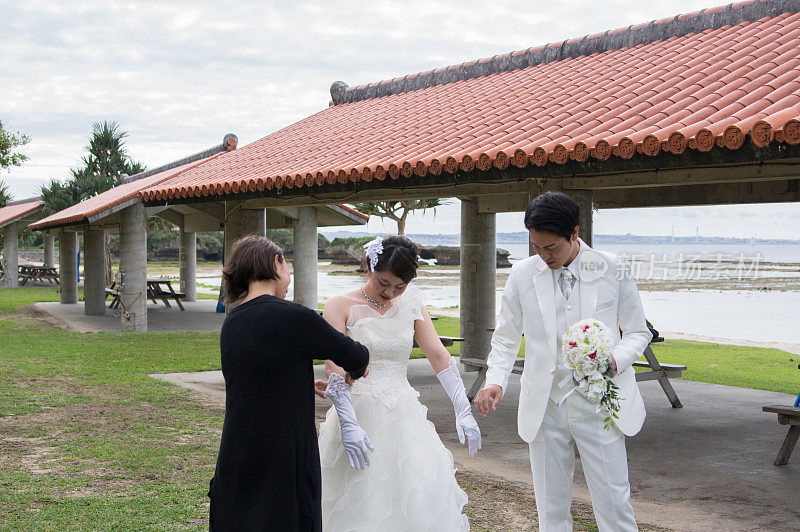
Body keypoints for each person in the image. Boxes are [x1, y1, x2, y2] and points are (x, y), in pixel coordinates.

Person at [475, 192, 651, 531]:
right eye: (536, 247)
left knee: (614, 503)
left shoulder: (612, 268)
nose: (543, 256)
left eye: (551, 248)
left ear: (574, 233)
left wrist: (613, 360)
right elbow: (507, 337)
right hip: (545, 406)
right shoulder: (523, 274)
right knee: (550, 508)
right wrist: (495, 379)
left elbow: (638, 333)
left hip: (600, 405)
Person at [318, 235, 481, 531]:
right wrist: (348, 422)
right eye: (383, 282)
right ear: (369, 266)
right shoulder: (339, 305)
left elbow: (437, 354)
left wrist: (462, 407)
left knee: (416, 490)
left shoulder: (412, 302)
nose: (390, 292)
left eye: (399, 286)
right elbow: (334, 367)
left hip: (405, 413)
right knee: (360, 495)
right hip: (358, 413)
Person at [208, 235, 369, 531]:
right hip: (283, 454)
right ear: (275, 263)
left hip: (237, 450)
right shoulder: (294, 316)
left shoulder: (233, 321)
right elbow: (355, 356)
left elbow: (252, 376)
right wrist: (357, 370)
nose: (289, 278)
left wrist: (302, 384)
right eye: (288, 267)